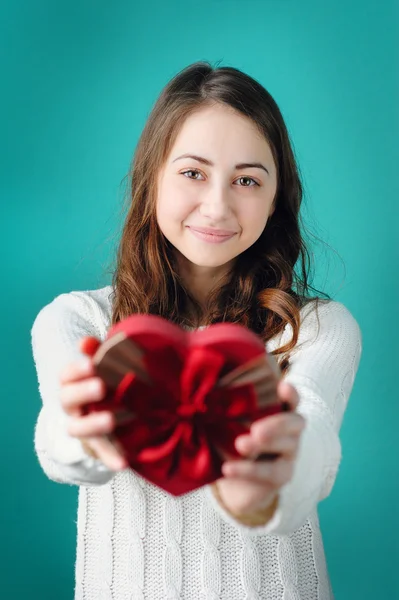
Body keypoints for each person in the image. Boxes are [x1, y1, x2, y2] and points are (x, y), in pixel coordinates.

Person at [31, 61, 362, 599]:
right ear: (153, 177)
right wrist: (81, 430)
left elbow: (315, 434)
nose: (217, 205)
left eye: (248, 180)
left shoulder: (317, 329)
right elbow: (60, 444)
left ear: (277, 196)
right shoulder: (78, 321)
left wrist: (272, 476)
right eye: (193, 173)